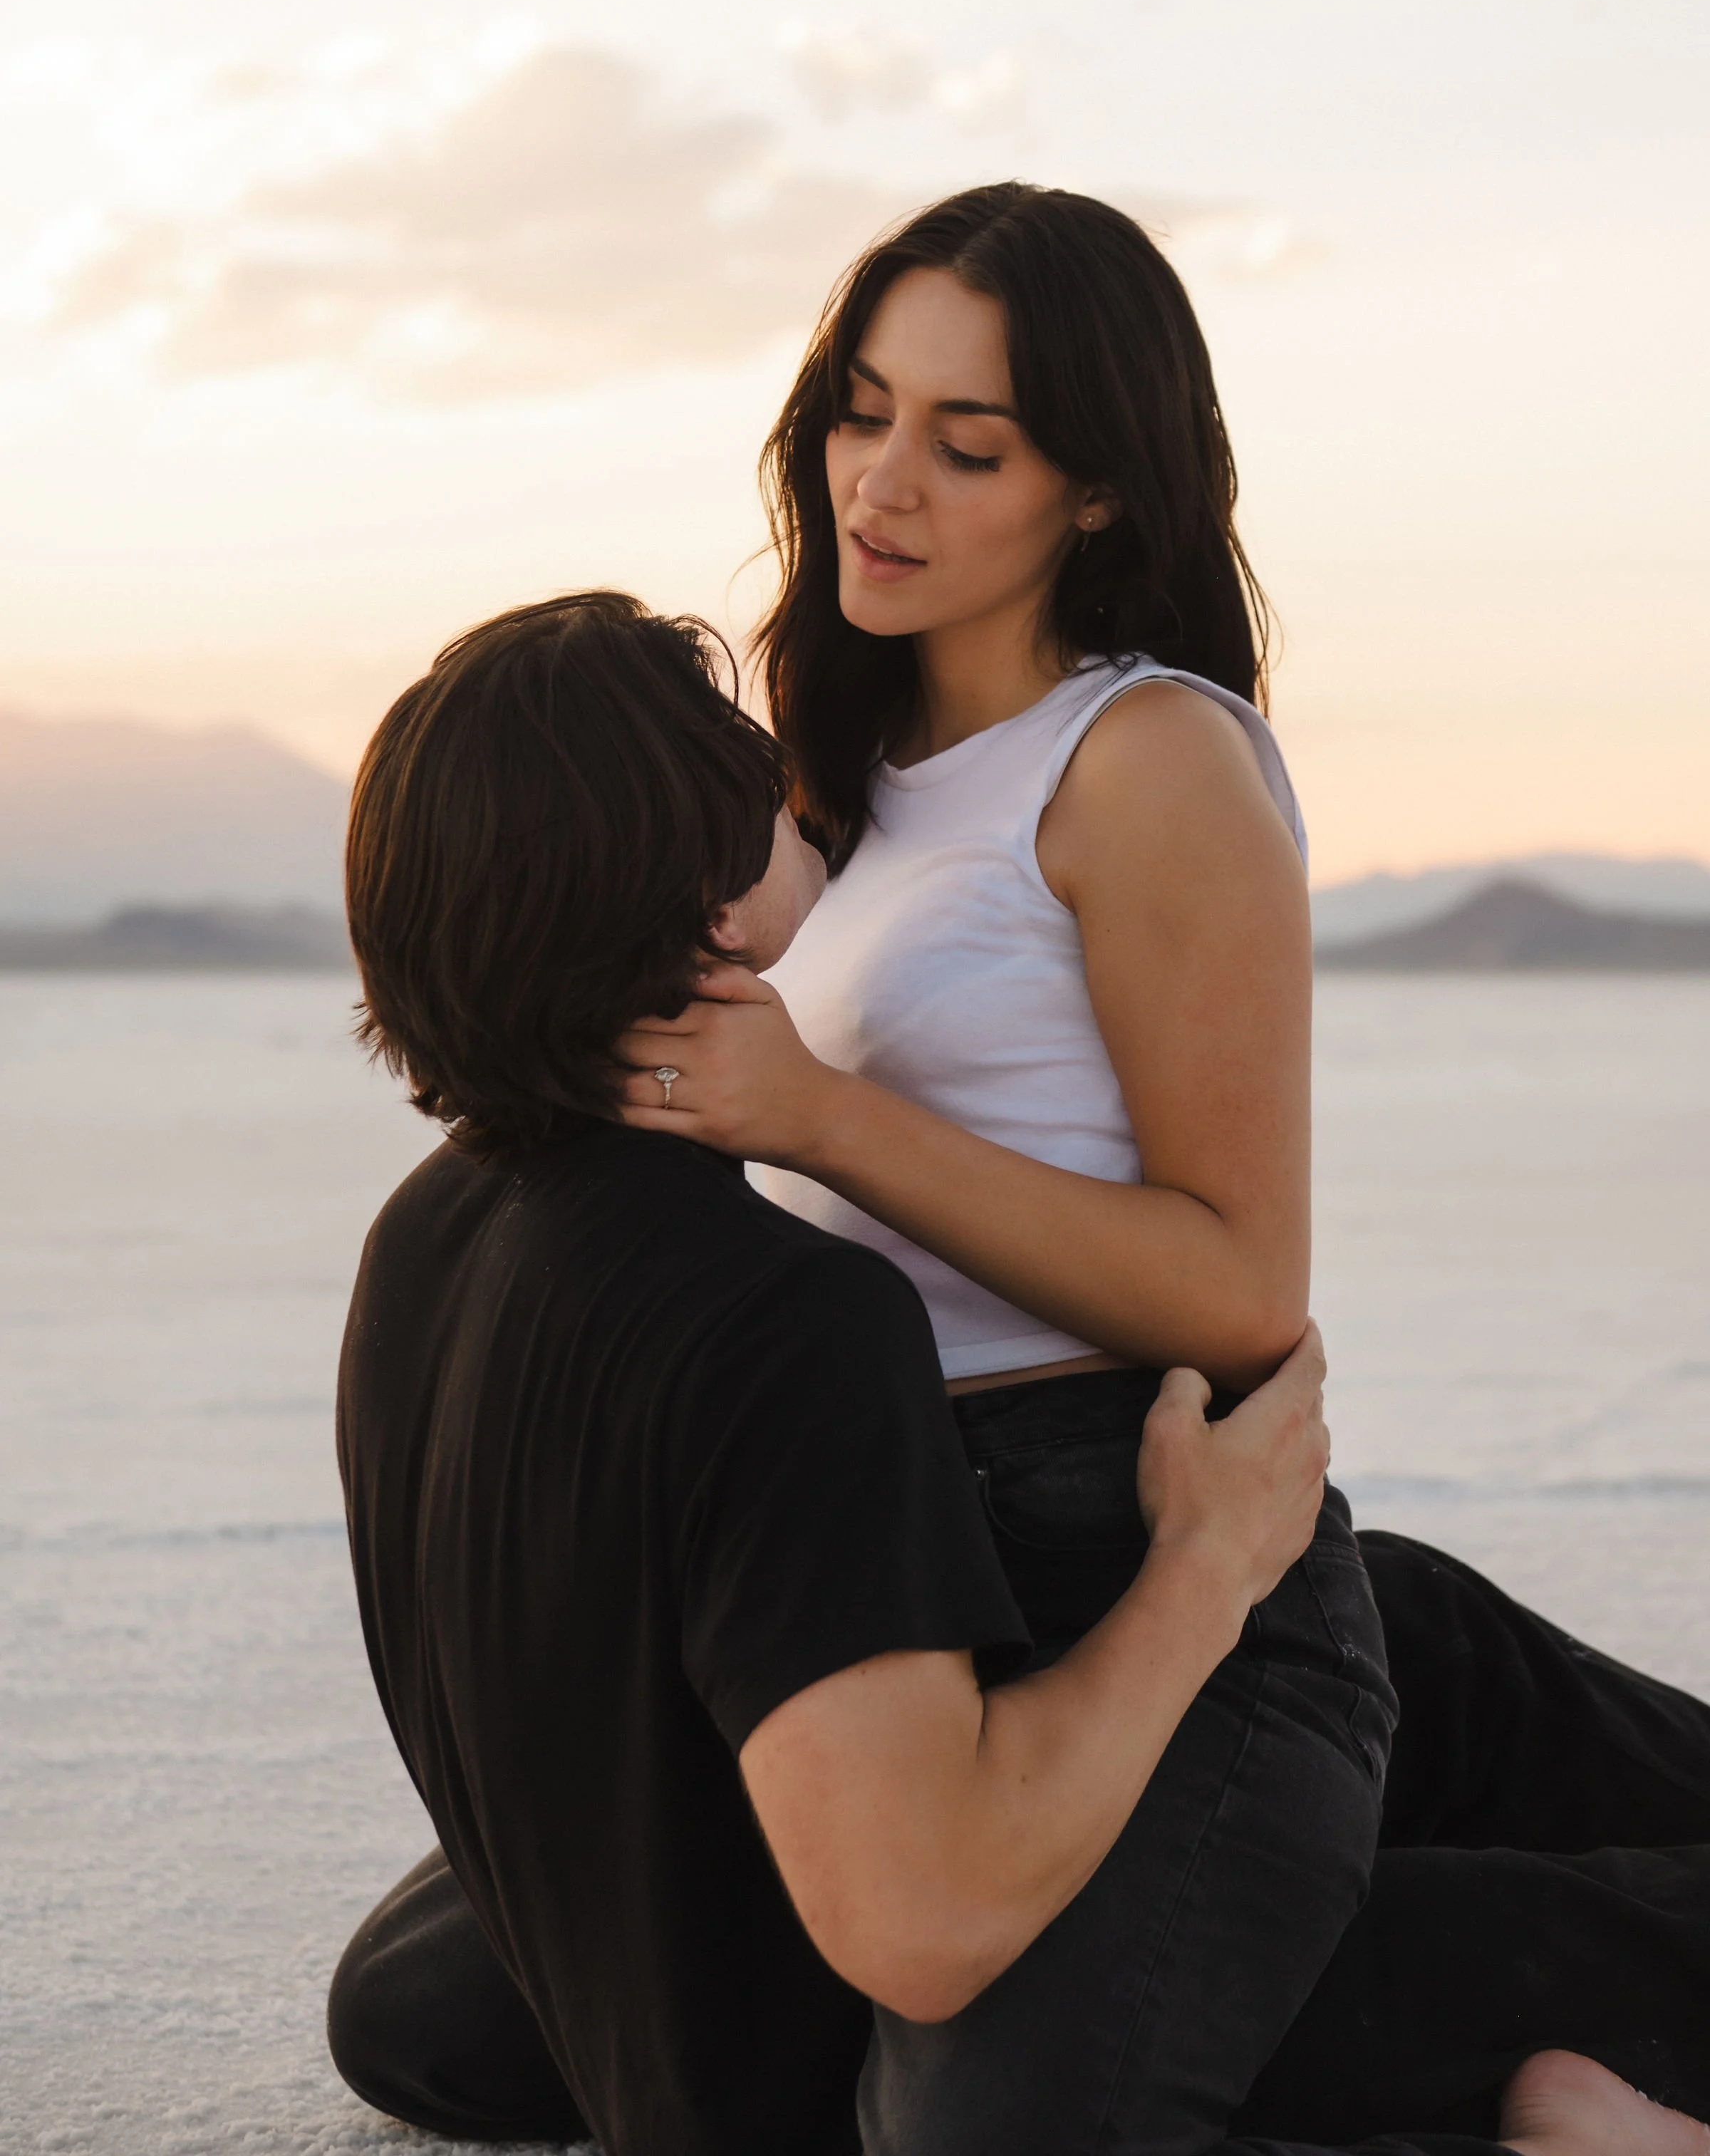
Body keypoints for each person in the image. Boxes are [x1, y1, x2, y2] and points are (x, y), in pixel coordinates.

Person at [327, 589, 1710, 2156]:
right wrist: (1203, 1563)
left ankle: (1432, 1683)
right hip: (868, 1894)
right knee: (461, 2019)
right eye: (739, 765)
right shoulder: (783, 1320)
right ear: (708, 914)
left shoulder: (424, 1243)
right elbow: (930, 1921)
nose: (789, 786)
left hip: (914, 1765)